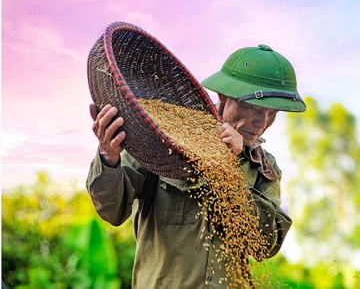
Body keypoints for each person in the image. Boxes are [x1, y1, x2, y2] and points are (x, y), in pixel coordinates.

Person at [86, 44, 306, 288]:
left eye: (272, 114)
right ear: (224, 97)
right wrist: (109, 156)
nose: (262, 123)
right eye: (255, 110)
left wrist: (227, 168)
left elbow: (265, 244)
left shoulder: (264, 166)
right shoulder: (163, 140)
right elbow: (112, 211)